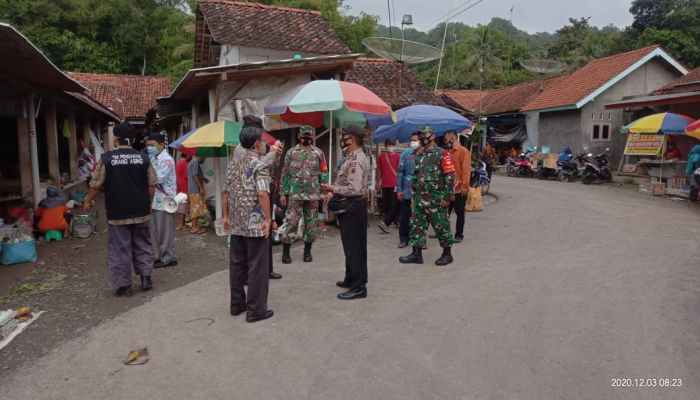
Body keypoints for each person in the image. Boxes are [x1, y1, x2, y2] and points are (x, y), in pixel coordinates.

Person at [83, 123, 156, 297]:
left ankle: (125, 286)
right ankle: (146, 277)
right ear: (132, 140)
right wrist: (148, 203)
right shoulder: (144, 158)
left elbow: (96, 184)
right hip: (141, 210)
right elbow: (151, 184)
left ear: (116, 139)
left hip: (118, 212)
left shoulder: (107, 159)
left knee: (120, 247)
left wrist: (87, 200)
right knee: (143, 243)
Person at [222, 121, 274, 322]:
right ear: (255, 145)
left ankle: (237, 305)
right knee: (257, 267)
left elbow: (225, 191)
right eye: (262, 140)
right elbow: (262, 193)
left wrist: (226, 216)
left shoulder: (233, 163)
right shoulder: (258, 165)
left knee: (237, 265)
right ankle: (256, 310)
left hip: (236, 223)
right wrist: (268, 219)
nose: (263, 143)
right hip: (255, 225)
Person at [321, 124, 370, 300]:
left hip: (354, 206)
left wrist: (332, 188)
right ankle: (351, 278)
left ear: (354, 139)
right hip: (348, 207)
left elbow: (354, 188)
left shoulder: (357, 160)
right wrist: (331, 192)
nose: (343, 139)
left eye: (346, 137)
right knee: (349, 246)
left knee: (355, 248)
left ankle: (359, 287)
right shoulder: (350, 158)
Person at [400, 125, 456, 266]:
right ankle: (416, 254)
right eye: (421, 136)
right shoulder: (419, 156)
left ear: (432, 136)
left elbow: (450, 177)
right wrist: (413, 198)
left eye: (425, 135)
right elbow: (415, 178)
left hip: (436, 200)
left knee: (441, 226)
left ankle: (447, 254)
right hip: (419, 200)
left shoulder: (442, 154)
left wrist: (447, 197)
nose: (422, 138)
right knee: (416, 226)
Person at [276, 125, 328, 264]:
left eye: (309, 136)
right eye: (304, 136)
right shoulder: (291, 153)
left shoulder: (319, 153)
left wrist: (325, 192)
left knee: (311, 224)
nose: (306, 138)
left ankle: (307, 252)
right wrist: (283, 192)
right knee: (291, 222)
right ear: (299, 136)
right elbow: (285, 173)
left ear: (312, 136)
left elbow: (323, 174)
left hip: (312, 195)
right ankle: (286, 253)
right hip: (295, 195)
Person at [147, 132, 178, 269]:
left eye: (152, 145)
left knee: (165, 231)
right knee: (155, 231)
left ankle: (168, 258)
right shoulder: (154, 158)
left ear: (161, 144)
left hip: (165, 201)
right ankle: (158, 256)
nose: (149, 147)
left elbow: (157, 179)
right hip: (155, 201)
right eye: (148, 145)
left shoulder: (167, 160)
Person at [443, 130, 471, 243]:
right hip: (448, 188)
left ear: (452, 138)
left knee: (460, 213)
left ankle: (459, 235)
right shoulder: (446, 152)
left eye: (446, 139)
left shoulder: (463, 151)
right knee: (444, 212)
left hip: (459, 189)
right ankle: (443, 232)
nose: (445, 141)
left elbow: (466, 170)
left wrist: (465, 185)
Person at [395, 131, 422, 248]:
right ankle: (403, 239)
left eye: (415, 140)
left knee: (421, 217)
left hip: (421, 192)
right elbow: (400, 172)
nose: (413, 142)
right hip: (407, 191)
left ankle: (420, 239)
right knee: (405, 216)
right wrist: (399, 189)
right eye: (412, 140)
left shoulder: (426, 155)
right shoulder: (406, 154)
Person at [377, 138, 401, 233]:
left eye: (391, 144)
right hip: (385, 184)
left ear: (394, 145)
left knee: (395, 203)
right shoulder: (381, 157)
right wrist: (377, 182)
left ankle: (391, 222)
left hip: (395, 184)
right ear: (385, 145)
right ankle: (392, 220)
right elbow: (379, 170)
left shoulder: (398, 156)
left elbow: (400, 171)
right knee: (386, 204)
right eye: (388, 144)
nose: (390, 146)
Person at [187, 155, 207, 234]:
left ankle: (195, 226)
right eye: (204, 157)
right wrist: (201, 187)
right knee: (195, 208)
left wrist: (203, 179)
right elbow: (194, 175)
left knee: (198, 208)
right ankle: (194, 227)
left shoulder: (193, 161)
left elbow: (196, 175)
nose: (204, 159)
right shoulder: (195, 161)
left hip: (194, 188)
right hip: (195, 189)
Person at [175, 153, 190, 231]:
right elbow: (187, 176)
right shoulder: (185, 164)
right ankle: (180, 225)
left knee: (181, 205)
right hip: (184, 187)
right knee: (182, 207)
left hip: (178, 186)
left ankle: (182, 224)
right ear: (187, 156)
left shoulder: (178, 163)